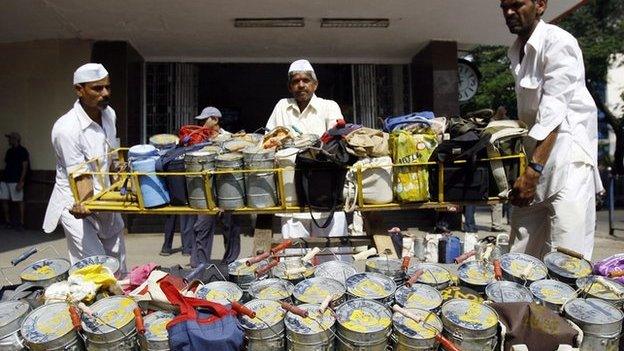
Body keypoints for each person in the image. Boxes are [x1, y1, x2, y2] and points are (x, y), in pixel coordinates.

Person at [501, 0, 602, 259]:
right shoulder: (516, 52)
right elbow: (533, 119)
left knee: (566, 260)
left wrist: (533, 172)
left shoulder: (559, 42)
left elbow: (553, 112)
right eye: (504, 6)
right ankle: (514, 301)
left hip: (568, 163)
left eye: (517, 4)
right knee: (519, 257)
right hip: (537, 163)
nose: (510, 12)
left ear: (541, 5)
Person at [43, 63, 127, 273]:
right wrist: (86, 204)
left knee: (119, 267)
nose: (105, 93)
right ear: (79, 90)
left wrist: (122, 180)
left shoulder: (109, 115)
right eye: (97, 89)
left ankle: (119, 305)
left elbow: (113, 153)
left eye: (107, 87)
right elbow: (80, 175)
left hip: (106, 199)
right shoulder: (66, 128)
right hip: (78, 204)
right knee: (95, 269)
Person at [266, 59, 348, 245]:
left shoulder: (329, 106)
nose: (301, 85)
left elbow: (336, 143)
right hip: (291, 195)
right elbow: (269, 139)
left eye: (306, 80)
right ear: (290, 86)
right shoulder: (282, 106)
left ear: (315, 84)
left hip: (325, 191)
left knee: (332, 254)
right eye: (295, 81)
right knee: (294, 256)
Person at [191, 106, 241, 267]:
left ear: (215, 120)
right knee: (202, 226)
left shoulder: (230, 139)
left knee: (231, 227)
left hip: (227, 191)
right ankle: (200, 264)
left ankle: (230, 262)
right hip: (206, 193)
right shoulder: (199, 139)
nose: (201, 123)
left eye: (204, 120)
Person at [1, 132, 29, 230]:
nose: (9, 140)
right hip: (5, 179)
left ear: (16, 139)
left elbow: (25, 167)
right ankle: (8, 222)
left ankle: (21, 223)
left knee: (19, 201)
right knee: (4, 200)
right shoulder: (9, 151)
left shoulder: (22, 151)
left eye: (10, 138)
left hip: (16, 180)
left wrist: (21, 181)